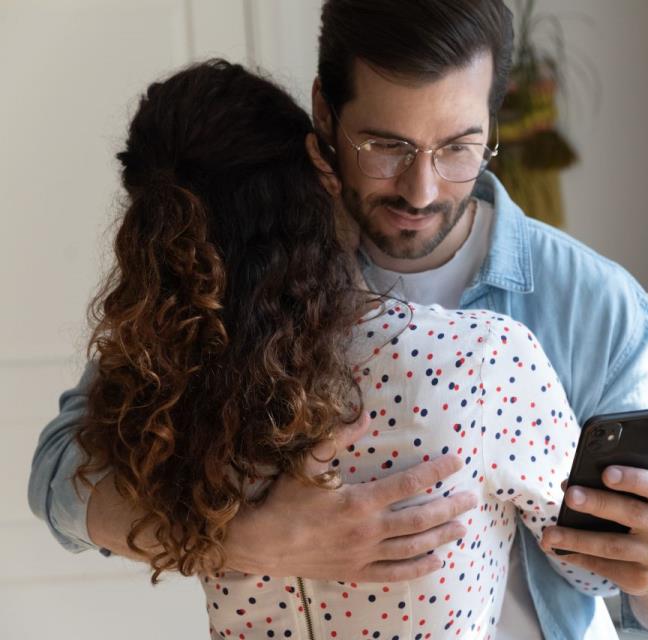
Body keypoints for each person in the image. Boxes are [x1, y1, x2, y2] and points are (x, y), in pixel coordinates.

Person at [29, 1, 648, 638]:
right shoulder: (239, 281)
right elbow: (60, 477)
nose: (422, 190)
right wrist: (247, 537)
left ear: (493, 121)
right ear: (324, 117)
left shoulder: (593, 302)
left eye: (458, 147)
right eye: (387, 146)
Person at [69, 58, 610, 639]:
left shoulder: (167, 387)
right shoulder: (482, 359)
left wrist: (242, 537)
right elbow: (596, 568)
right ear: (319, 172)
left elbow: (57, 485)